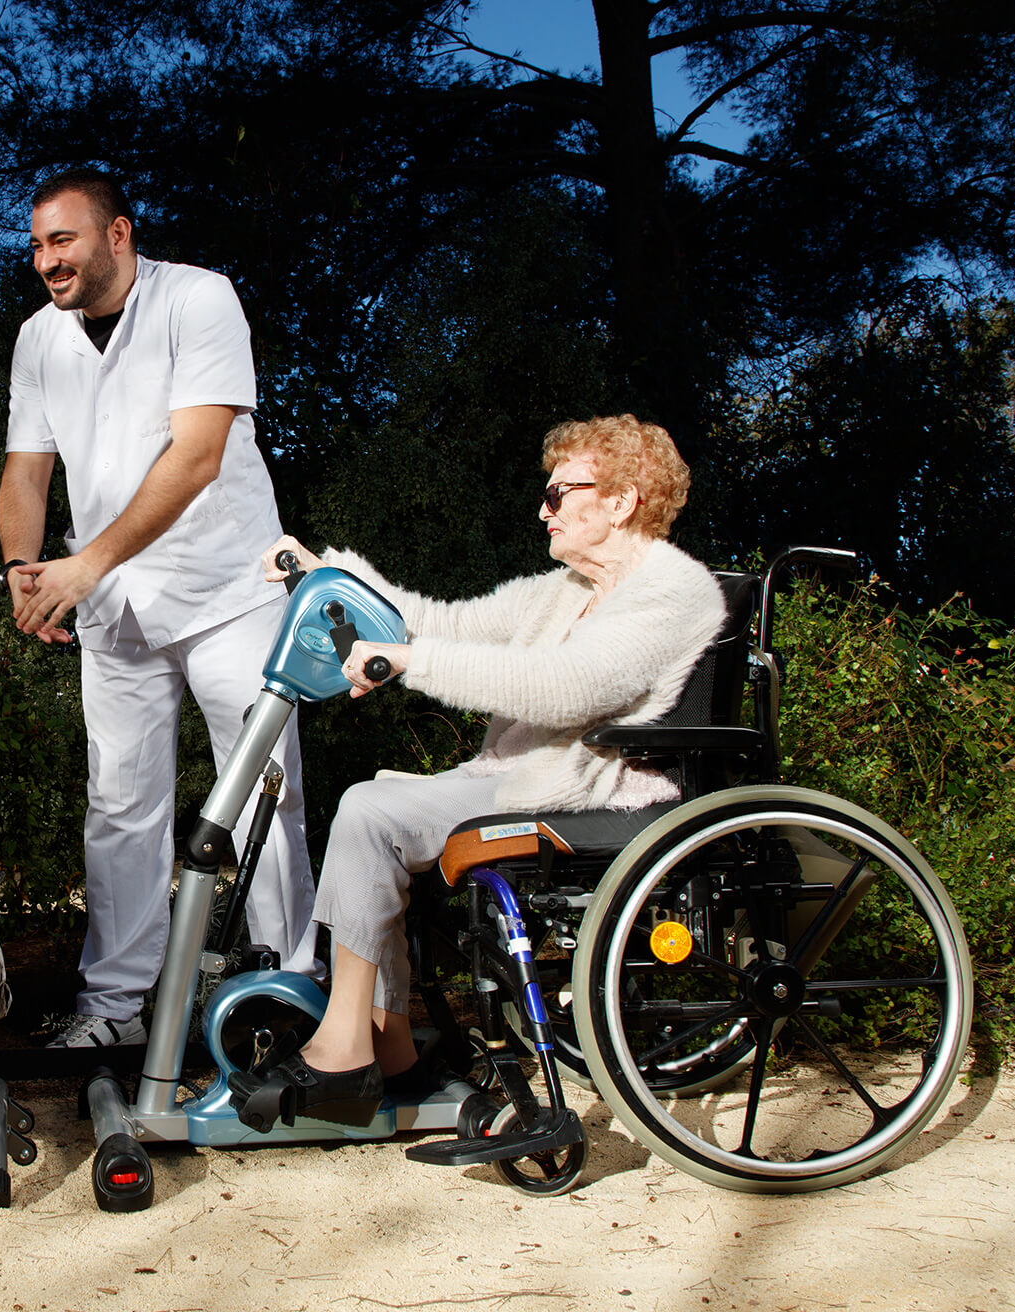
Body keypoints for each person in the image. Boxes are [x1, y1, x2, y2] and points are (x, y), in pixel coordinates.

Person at [232, 415, 725, 1122]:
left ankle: (344, 1050)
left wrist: (411, 662)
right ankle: (392, 1048)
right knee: (371, 800)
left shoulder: (671, 591)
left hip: (576, 795)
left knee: (373, 814)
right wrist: (334, 576)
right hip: (513, 776)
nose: (542, 508)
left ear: (620, 501)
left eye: (559, 495)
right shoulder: (561, 591)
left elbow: (568, 686)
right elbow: (440, 621)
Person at [0, 169, 317, 1048]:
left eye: (61, 241)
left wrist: (83, 563)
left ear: (118, 235)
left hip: (226, 591)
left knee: (258, 796)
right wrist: (24, 569)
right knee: (120, 803)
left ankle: (286, 999)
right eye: (36, 245)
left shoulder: (199, 300)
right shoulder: (37, 339)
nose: (45, 261)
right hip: (111, 608)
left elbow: (201, 453)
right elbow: (27, 470)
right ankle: (114, 1012)